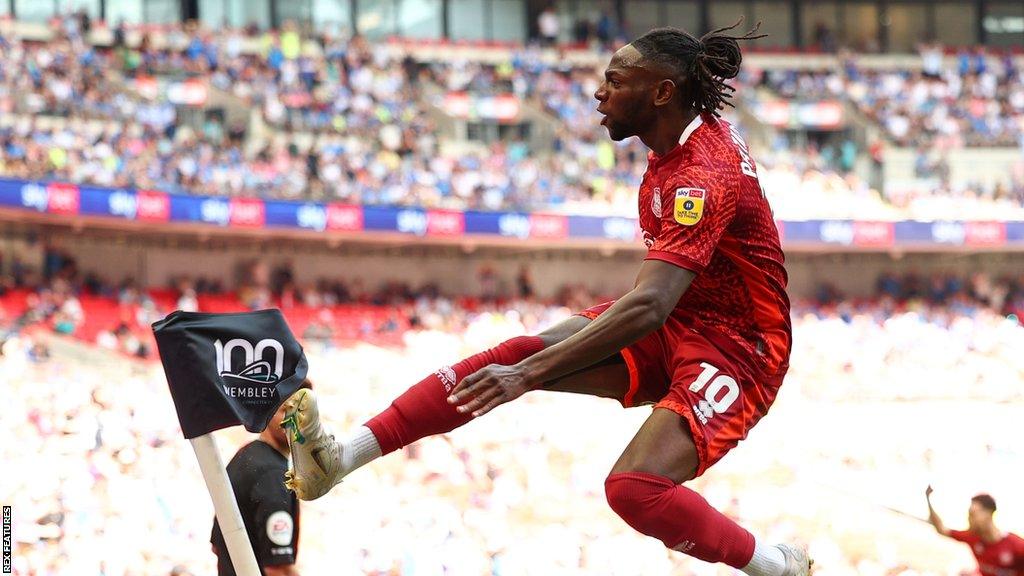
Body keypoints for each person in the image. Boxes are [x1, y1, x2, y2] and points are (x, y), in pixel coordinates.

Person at [283, 22, 811, 576]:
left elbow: (649, 304)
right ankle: (339, 461)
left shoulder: (701, 175)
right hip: (685, 318)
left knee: (633, 488)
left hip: (739, 348)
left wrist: (529, 376)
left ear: (661, 93)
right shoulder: (677, 141)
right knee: (511, 355)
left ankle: (777, 567)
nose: (598, 93)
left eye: (615, 80)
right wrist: (525, 369)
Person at [211, 380, 313, 576]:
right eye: (286, 410)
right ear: (268, 410)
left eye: (302, 413)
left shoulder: (244, 455)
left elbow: (217, 545)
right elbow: (278, 569)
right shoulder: (273, 475)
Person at [926, 486, 1024, 575]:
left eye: (972, 514)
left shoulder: (1017, 546)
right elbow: (942, 529)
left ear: (988, 514)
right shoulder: (973, 538)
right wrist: (928, 500)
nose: (969, 519)